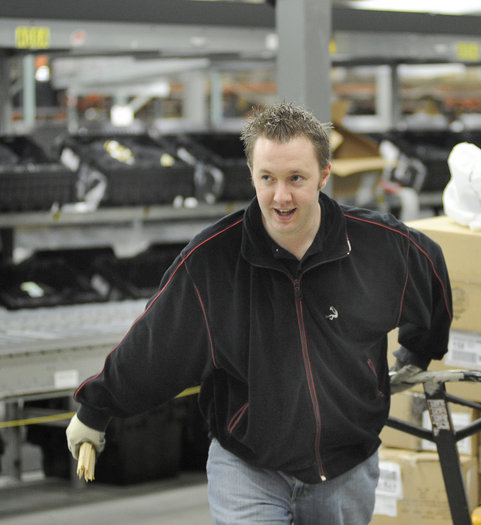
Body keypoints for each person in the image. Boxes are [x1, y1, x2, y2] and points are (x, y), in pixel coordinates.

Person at [65, 102, 453, 525]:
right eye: (266, 178)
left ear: (325, 174)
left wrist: (418, 352)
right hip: (248, 468)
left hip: (347, 468)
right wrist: (95, 408)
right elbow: (157, 346)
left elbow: (431, 281)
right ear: (251, 173)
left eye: (296, 179)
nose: (280, 196)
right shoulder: (212, 262)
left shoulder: (382, 248)